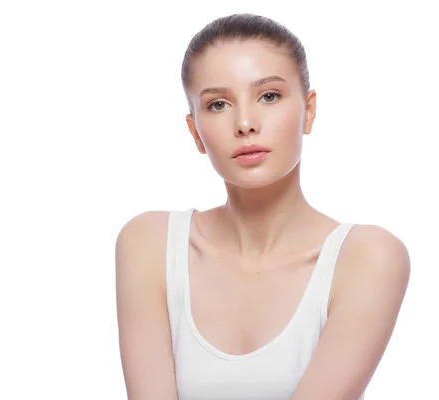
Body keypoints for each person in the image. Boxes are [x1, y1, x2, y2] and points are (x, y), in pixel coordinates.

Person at [115, 13, 410, 400]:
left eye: (269, 96)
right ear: (196, 133)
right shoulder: (149, 244)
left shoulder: (368, 257)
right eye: (218, 104)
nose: (245, 123)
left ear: (308, 110)